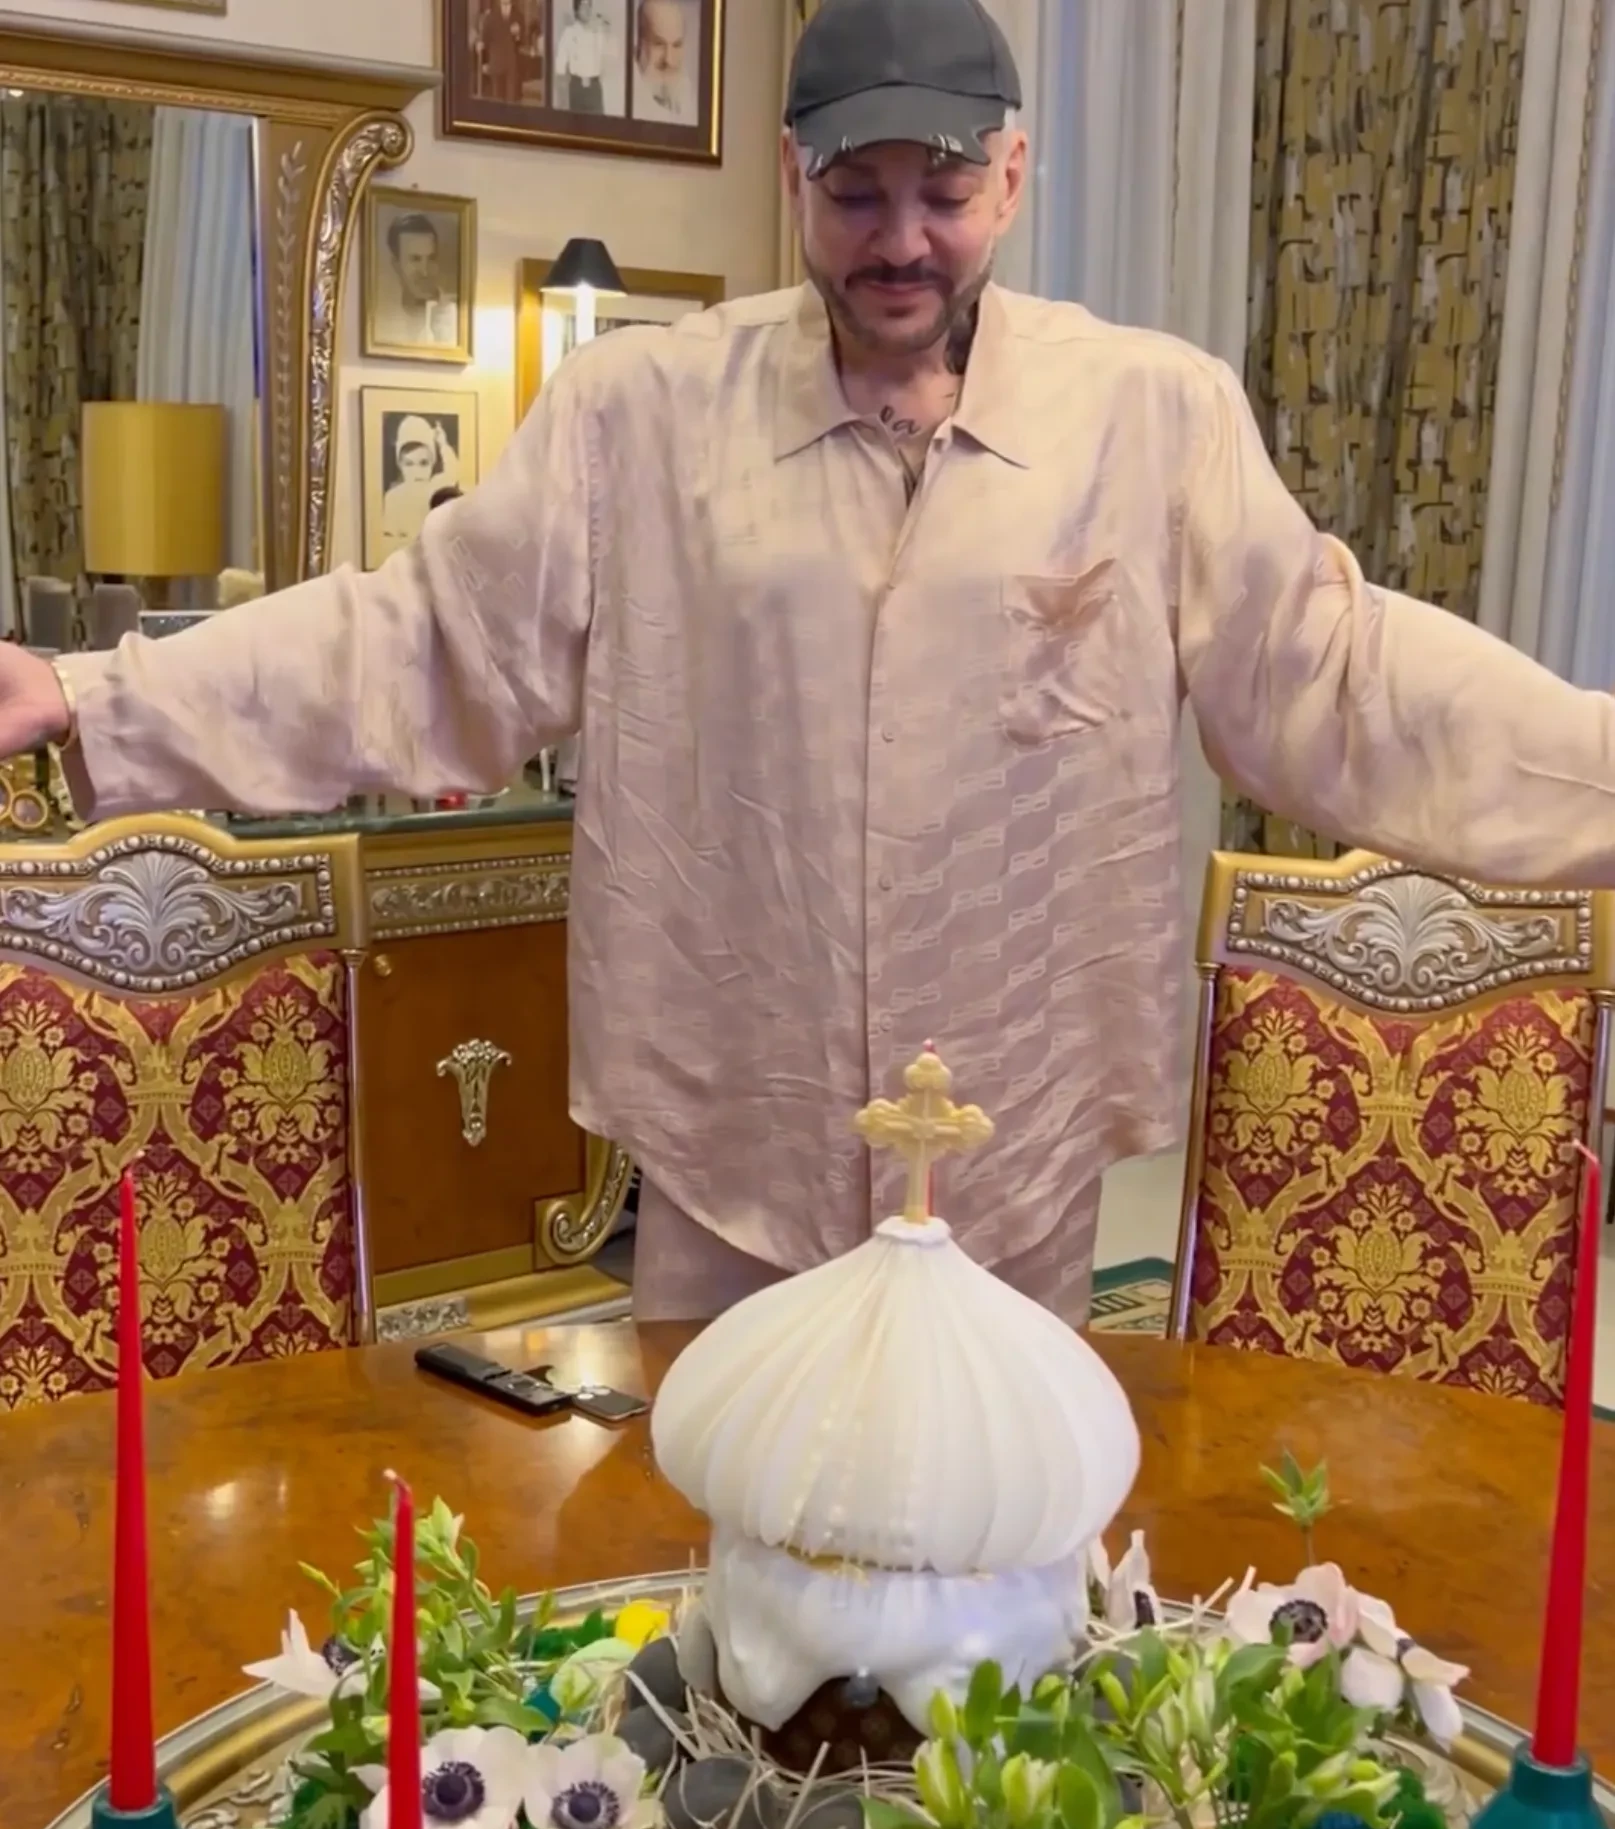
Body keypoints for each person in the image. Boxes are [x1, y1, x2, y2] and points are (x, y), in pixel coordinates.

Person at [5, 0, 1615, 1332]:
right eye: (854, 194)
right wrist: (93, 695)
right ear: (790, 177)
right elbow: (427, 639)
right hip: (736, 1145)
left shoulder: (1151, 415)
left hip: (1016, 1149)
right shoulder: (639, 418)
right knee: (721, 1550)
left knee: (991, 1565)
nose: (899, 241)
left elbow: (1330, 671)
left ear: (1012, 175)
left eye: (944, 192)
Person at [378, 417, 458, 557]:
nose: (416, 472)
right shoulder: (393, 497)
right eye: (409, 464)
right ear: (400, 465)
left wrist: (443, 444)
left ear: (432, 463)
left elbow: (454, 471)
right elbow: (389, 540)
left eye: (423, 463)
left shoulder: (434, 488)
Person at [377, 213, 457, 349]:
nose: (425, 271)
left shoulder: (457, 317)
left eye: (431, 258)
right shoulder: (381, 321)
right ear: (396, 265)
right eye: (415, 259)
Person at [631, 0, 695, 125]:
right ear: (638, 44)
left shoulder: (689, 99)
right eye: (659, 44)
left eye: (677, 45)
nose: (668, 60)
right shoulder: (617, 100)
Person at [555, 0, 612, 115]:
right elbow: (559, 65)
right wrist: (563, 91)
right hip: (577, 87)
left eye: (589, 6)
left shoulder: (598, 33)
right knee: (577, 123)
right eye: (583, 6)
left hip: (594, 88)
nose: (587, 10)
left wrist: (606, 29)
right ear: (576, 10)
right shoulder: (569, 33)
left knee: (598, 124)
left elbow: (608, 55)